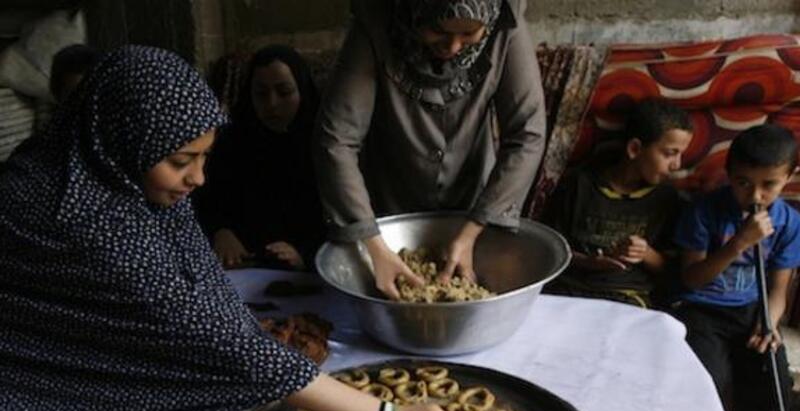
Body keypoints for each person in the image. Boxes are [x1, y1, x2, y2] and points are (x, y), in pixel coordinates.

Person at [0, 45, 472, 411]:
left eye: (205, 157)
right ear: (124, 136)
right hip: (31, 378)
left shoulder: (113, 163)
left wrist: (248, 334)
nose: (198, 178)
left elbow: (202, 286)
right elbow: (218, 339)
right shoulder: (80, 216)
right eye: (181, 161)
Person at [315, 0, 546, 299]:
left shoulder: (504, 21)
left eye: (469, 34)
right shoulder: (376, 25)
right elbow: (336, 140)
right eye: (438, 30)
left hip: (474, 204)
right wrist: (373, 245)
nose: (452, 47)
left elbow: (527, 133)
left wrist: (473, 229)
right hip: (388, 211)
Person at [672, 123, 800, 411]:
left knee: (774, 379)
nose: (756, 196)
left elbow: (779, 290)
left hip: (752, 314)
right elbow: (691, 279)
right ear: (729, 175)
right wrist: (737, 245)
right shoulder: (706, 212)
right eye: (744, 183)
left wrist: (771, 323)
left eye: (769, 185)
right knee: (710, 380)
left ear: (788, 180)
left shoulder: (789, 223)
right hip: (703, 310)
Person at [542, 98, 693, 308]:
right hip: (571, 290)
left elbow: (675, 271)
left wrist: (645, 253)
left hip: (627, 296)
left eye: (681, 155)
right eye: (670, 153)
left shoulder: (666, 199)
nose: (676, 165)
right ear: (634, 149)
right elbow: (550, 250)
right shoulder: (579, 186)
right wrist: (590, 262)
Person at [194, 45, 327, 270]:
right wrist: (221, 231)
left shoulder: (324, 146)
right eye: (261, 94)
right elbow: (205, 200)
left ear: (301, 90)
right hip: (242, 267)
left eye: (284, 92)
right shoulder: (230, 143)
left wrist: (305, 254)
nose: (272, 104)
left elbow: (340, 220)